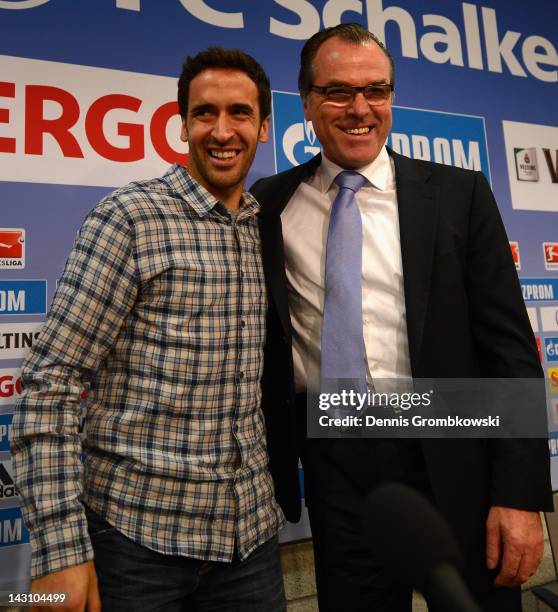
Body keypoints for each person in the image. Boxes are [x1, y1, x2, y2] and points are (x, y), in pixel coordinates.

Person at [251, 24, 552, 612]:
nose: (360, 109)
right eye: (338, 92)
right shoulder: (270, 203)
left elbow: (510, 348)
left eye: (377, 90)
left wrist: (519, 495)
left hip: (457, 450)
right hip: (338, 464)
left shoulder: (459, 193)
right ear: (307, 103)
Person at [12, 47, 287, 612]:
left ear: (263, 128)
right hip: (137, 544)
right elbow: (50, 384)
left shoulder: (268, 229)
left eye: (239, 113)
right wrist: (62, 554)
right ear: (182, 123)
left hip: (251, 539)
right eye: (204, 113)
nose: (221, 130)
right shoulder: (129, 218)